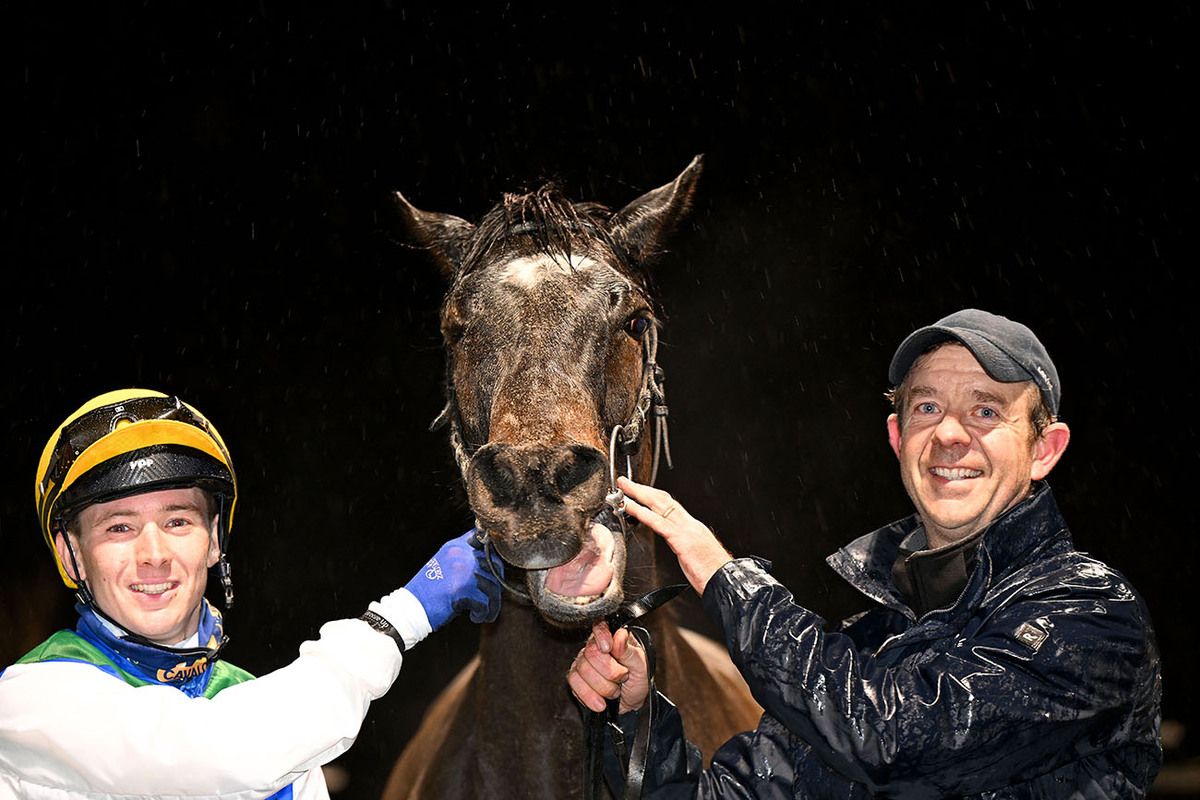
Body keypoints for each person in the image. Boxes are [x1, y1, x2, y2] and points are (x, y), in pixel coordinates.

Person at [569, 309, 1162, 797]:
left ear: (1044, 449)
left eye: (986, 410)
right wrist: (638, 716)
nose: (950, 434)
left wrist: (728, 579)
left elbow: (898, 741)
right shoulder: (861, 647)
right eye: (927, 407)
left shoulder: (1089, 613)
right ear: (898, 439)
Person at [0, 388, 502, 799]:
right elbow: (210, 757)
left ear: (214, 540)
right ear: (72, 557)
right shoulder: (28, 699)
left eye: (178, 521)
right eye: (118, 528)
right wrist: (406, 616)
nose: (153, 554)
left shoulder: (267, 716)